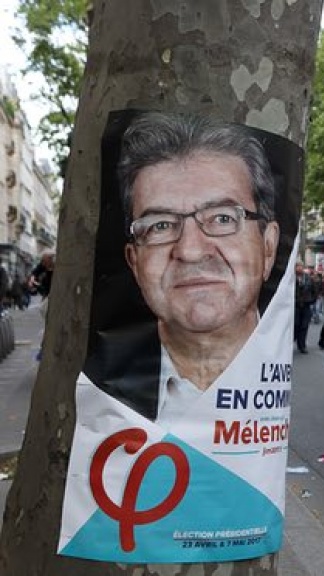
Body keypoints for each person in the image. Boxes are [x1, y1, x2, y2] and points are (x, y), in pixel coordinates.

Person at [108, 112, 280, 424]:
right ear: (135, 262)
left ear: (268, 248)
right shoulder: (100, 390)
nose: (190, 251)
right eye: (160, 225)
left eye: (223, 218)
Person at [294, 262, 318, 353]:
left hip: (306, 304)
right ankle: (293, 339)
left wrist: (312, 300)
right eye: (297, 266)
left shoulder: (308, 278)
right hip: (295, 305)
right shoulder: (291, 277)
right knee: (296, 324)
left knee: (304, 325)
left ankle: (302, 345)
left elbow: (314, 290)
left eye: (301, 266)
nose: (299, 268)